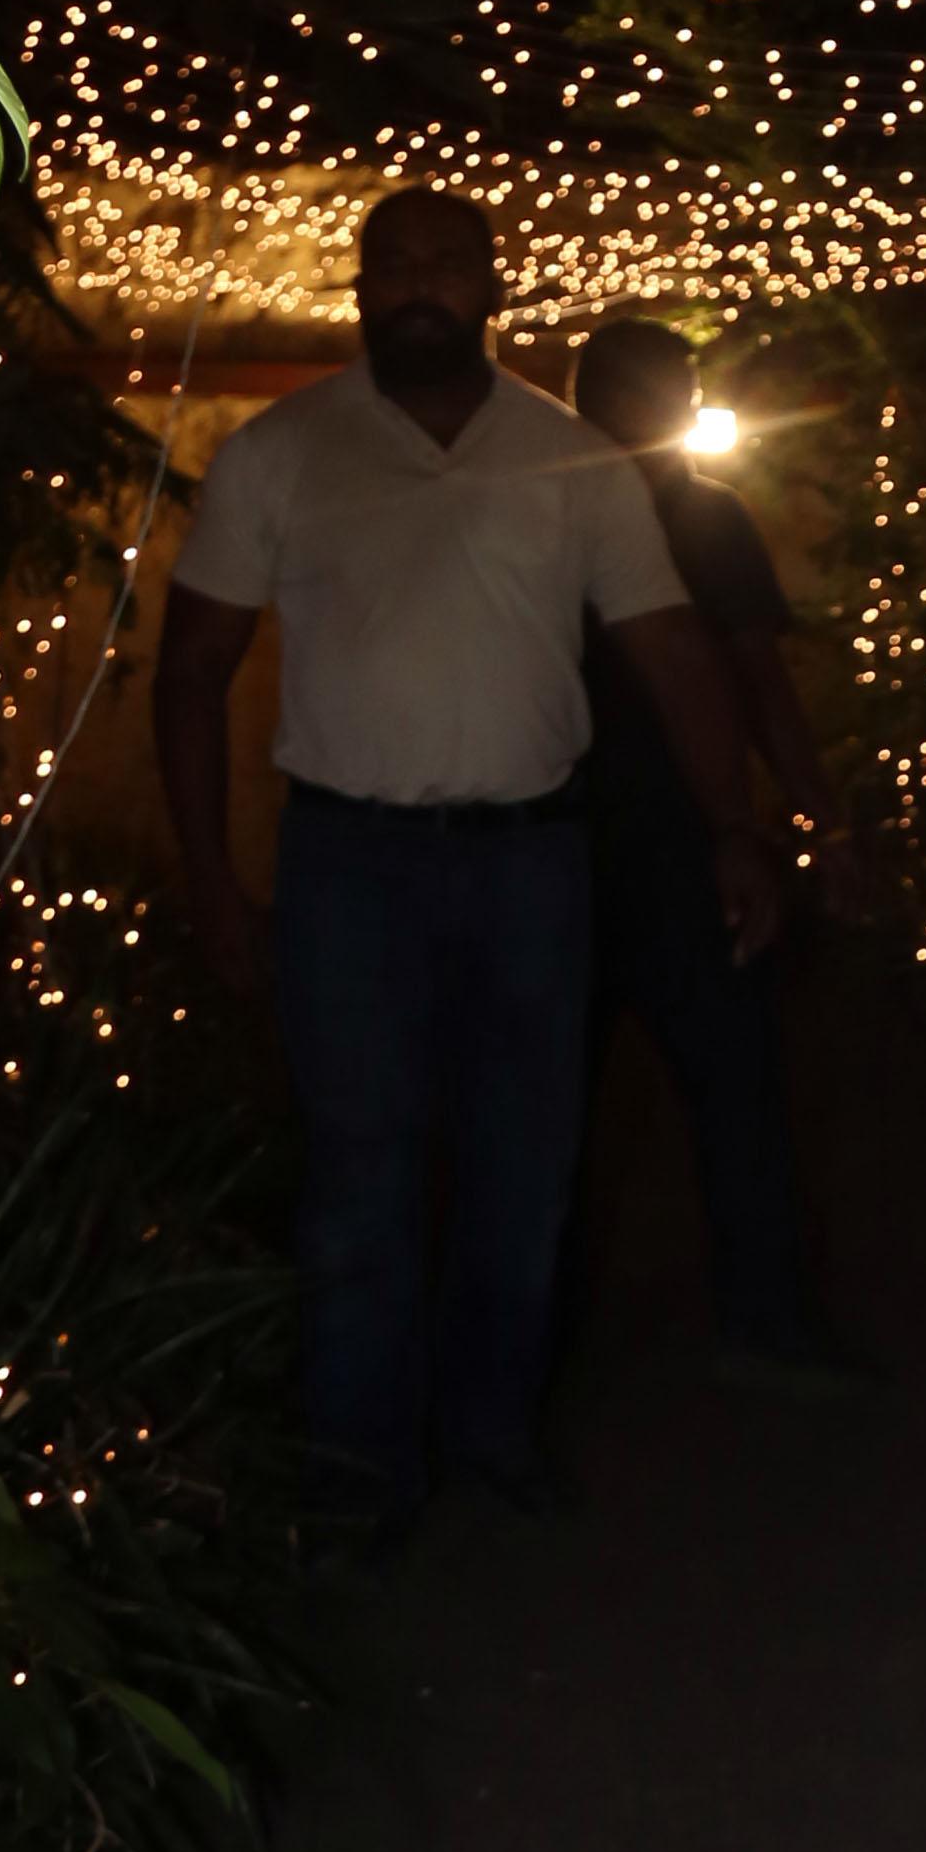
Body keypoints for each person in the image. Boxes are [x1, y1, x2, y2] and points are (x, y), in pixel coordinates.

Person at [154, 186, 780, 1527]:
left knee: (525, 1164)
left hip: (529, 869)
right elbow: (191, 671)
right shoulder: (280, 452)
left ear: (495, 289)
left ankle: (491, 1440)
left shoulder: (574, 461)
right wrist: (211, 873)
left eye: (451, 263)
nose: (423, 285)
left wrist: (738, 824)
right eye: (397, 265)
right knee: (360, 1173)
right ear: (360, 287)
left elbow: (671, 646)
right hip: (348, 868)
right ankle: (357, 1471)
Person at [565, 313, 861, 1385]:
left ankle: (762, 1313)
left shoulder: (705, 522)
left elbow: (758, 683)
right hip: (567, 844)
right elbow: (757, 685)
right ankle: (543, 1344)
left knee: (730, 1089)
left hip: (675, 844)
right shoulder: (550, 507)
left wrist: (810, 820)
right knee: (572, 1103)